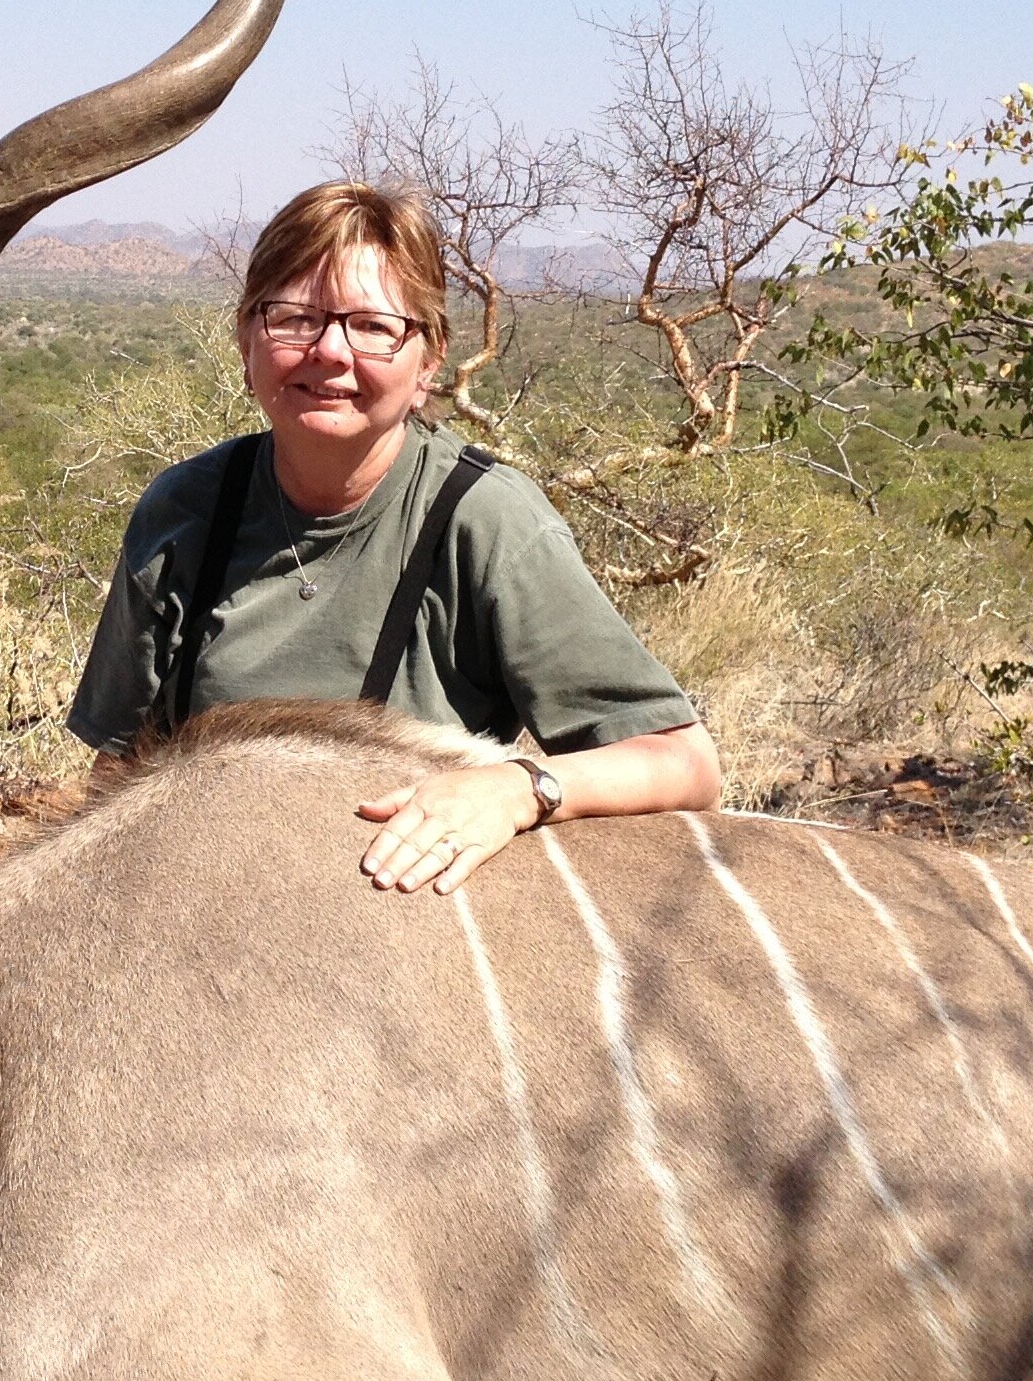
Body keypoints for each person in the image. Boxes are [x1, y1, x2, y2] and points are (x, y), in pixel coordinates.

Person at [68, 181, 721, 895]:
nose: (329, 352)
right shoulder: (184, 510)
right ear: (246, 339)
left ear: (430, 358)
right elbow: (120, 773)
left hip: (401, 940)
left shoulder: (487, 519)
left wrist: (516, 789)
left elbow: (685, 762)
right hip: (202, 908)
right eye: (294, 317)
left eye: (374, 326)